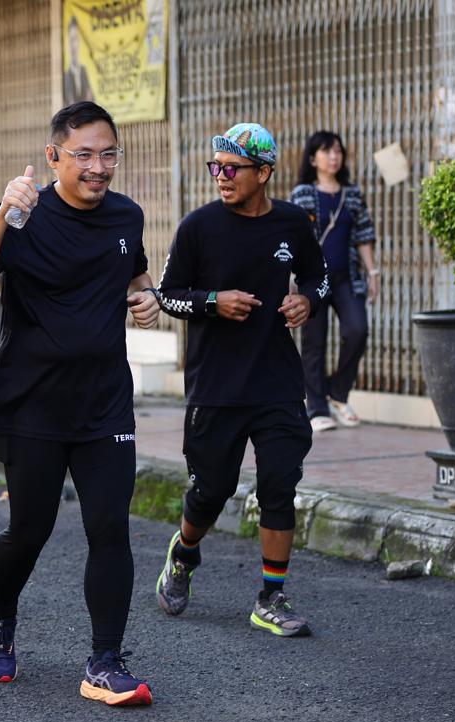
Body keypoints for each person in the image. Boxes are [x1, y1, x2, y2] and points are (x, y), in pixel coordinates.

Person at [0, 101, 162, 707]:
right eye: (84, 155)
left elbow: (135, 275)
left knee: (110, 528)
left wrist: (147, 297)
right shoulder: (24, 215)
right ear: (53, 157)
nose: (98, 167)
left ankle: (104, 662)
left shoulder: (127, 216)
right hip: (32, 405)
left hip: (104, 403)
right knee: (29, 531)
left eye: (108, 154)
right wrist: (3, 213)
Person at [151, 122, 329, 637]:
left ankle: (271, 597)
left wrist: (307, 301)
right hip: (216, 385)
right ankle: (184, 554)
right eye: (217, 167)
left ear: (264, 173)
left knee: (279, 486)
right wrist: (213, 301)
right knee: (211, 490)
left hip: (277, 382)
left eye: (232, 168)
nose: (221, 176)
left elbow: (319, 275)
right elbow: (168, 294)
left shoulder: (293, 222)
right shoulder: (198, 227)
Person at [289, 131, 379, 432]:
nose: (333, 157)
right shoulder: (302, 193)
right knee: (314, 342)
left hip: (346, 278)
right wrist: (290, 278)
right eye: (326, 151)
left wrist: (373, 273)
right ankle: (316, 408)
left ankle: (338, 393)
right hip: (312, 280)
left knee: (357, 330)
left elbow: (364, 234)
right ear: (313, 158)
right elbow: (292, 237)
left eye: (338, 151)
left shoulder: (351, 194)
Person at [62, 16, 94, 105]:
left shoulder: (84, 71)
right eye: (71, 40)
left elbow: (92, 99)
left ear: (79, 42)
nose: (73, 45)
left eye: (75, 39)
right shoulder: (65, 76)